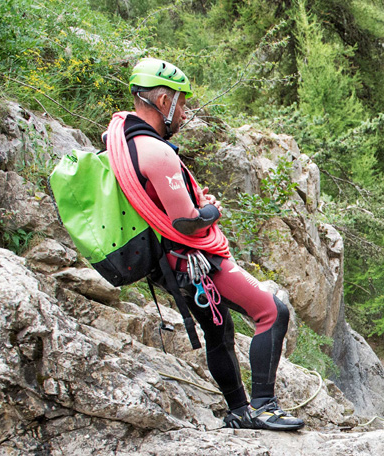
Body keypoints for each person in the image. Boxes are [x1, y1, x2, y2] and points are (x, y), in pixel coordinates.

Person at [106, 58, 303, 431]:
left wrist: (194, 203)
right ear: (163, 101)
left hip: (169, 263)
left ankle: (238, 411)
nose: (184, 111)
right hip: (195, 260)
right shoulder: (158, 152)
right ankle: (263, 407)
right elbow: (189, 224)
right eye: (181, 103)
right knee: (271, 312)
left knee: (219, 331)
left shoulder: (119, 137)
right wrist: (211, 209)